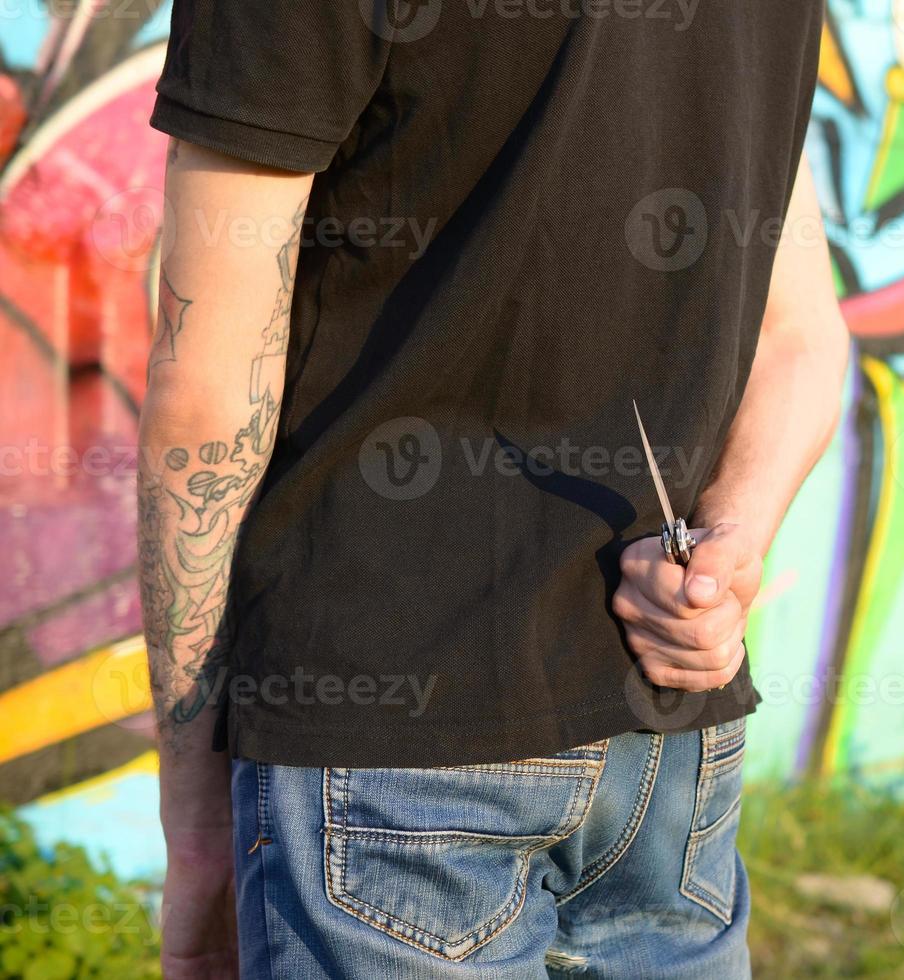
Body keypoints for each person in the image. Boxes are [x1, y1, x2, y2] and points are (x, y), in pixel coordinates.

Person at [136, 0, 846, 976]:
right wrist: (725, 552)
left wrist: (195, 816)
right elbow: (801, 340)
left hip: (385, 737)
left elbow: (205, 394)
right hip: (663, 722)